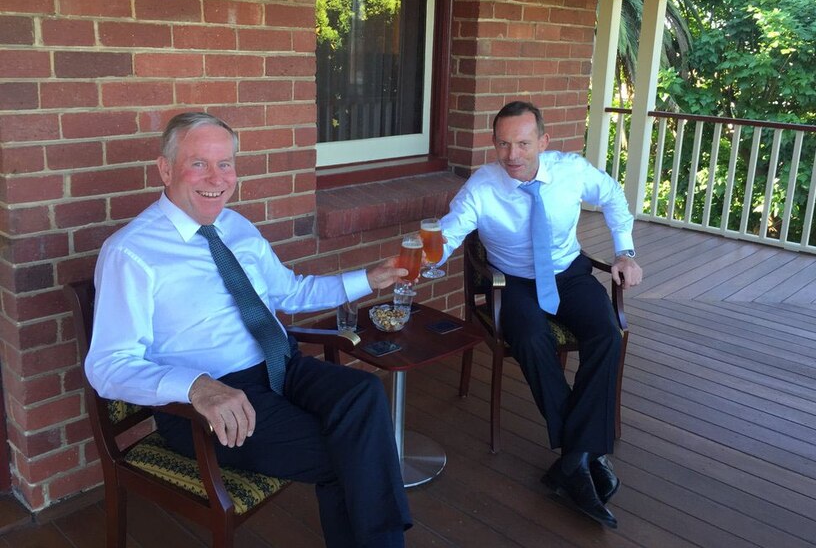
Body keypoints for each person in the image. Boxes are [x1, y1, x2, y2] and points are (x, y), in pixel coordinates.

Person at [84, 112, 412, 548]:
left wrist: (368, 279)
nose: (216, 178)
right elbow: (107, 366)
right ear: (165, 169)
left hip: (278, 364)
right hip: (208, 405)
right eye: (198, 163)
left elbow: (289, 293)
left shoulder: (235, 226)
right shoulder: (130, 252)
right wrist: (198, 386)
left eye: (225, 164)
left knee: (364, 395)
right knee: (345, 456)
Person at [438, 101, 643, 528]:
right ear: (495, 144)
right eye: (504, 144)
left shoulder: (570, 170)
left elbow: (612, 197)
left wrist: (624, 251)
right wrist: (418, 257)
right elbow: (449, 231)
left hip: (569, 272)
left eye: (524, 144)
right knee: (533, 339)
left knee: (607, 331)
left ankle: (573, 459)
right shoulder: (482, 186)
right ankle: (583, 452)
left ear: (543, 142)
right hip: (512, 282)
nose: (513, 155)